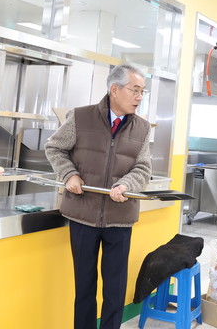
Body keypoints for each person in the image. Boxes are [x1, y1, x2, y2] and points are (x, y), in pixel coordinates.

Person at [45, 64, 152, 329]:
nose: (139, 97)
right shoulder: (80, 117)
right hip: (83, 216)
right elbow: (55, 148)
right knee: (84, 288)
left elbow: (143, 168)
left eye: (142, 91)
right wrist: (69, 174)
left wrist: (126, 184)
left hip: (120, 218)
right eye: (135, 90)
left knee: (115, 290)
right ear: (114, 89)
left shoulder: (142, 127)